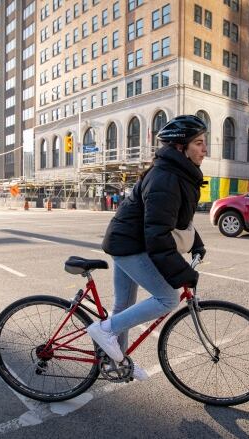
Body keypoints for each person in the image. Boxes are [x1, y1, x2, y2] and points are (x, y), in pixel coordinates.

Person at [90, 115, 208, 381]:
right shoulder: (166, 177)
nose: (205, 149)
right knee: (168, 298)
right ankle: (105, 330)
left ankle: (116, 364)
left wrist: (196, 243)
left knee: (123, 305)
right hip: (130, 245)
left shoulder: (177, 173)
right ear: (181, 147)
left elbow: (175, 218)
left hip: (126, 240)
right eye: (199, 143)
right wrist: (180, 272)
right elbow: (157, 233)